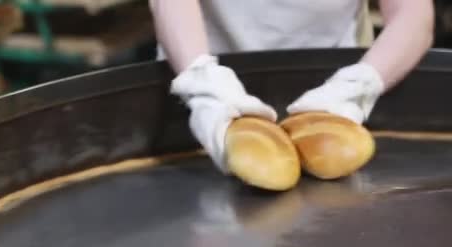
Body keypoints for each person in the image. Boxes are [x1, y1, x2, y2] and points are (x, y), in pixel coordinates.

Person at [149, 0, 434, 173]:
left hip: (332, 99)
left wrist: (358, 85)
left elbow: (413, 13)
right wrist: (203, 82)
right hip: (202, 87)